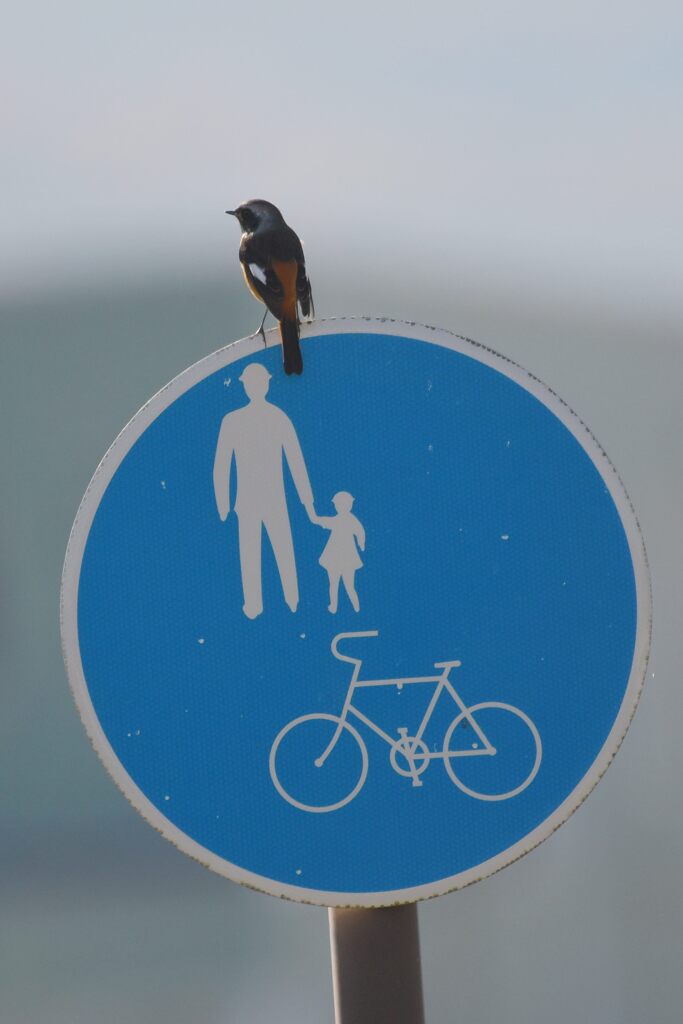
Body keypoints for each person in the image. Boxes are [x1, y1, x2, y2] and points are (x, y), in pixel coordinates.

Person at [213, 362, 316, 618]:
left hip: (273, 500)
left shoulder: (278, 417)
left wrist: (307, 501)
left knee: (281, 550)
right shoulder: (232, 421)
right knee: (251, 554)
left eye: (259, 383)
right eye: (252, 383)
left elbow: (296, 462)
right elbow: (221, 467)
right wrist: (222, 505)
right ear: (246, 386)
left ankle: (292, 602)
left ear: (267, 384)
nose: (256, 387)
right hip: (248, 502)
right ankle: (258, 605)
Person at [315, 492, 365, 613]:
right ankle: (337, 606)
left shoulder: (348, 520)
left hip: (344, 558)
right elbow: (360, 532)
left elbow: (360, 531)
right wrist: (361, 543)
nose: (340, 507)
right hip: (337, 558)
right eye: (339, 504)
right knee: (336, 584)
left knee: (345, 585)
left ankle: (354, 607)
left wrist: (361, 543)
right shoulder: (340, 519)